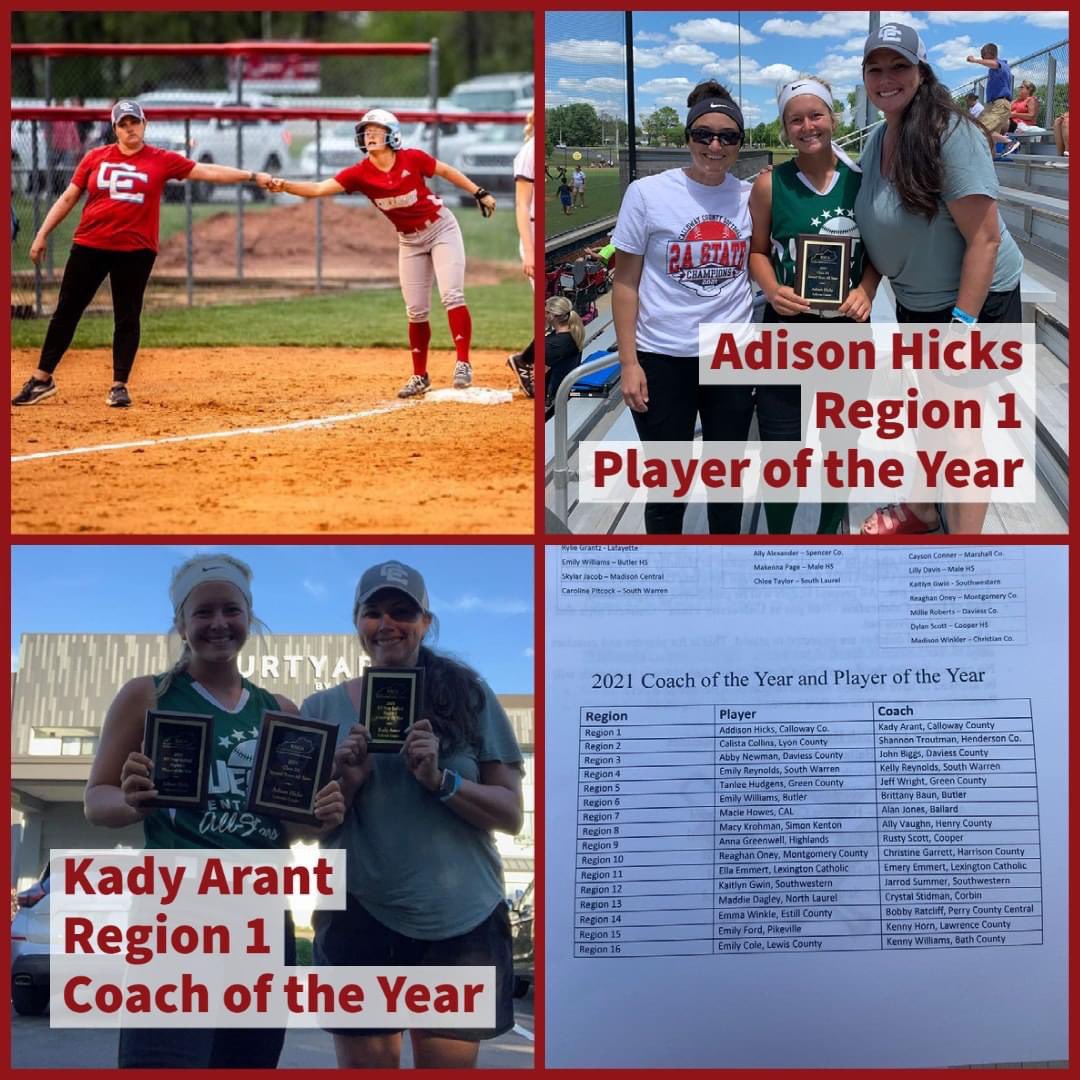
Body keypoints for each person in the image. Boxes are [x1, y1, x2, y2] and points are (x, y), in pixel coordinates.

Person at [84, 553, 345, 1068]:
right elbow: (96, 799)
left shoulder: (280, 710)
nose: (219, 623)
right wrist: (132, 801)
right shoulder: (148, 695)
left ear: (249, 616)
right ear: (180, 622)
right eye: (202, 612)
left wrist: (323, 812)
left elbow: (293, 826)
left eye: (231, 609)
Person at [300, 560, 524, 1069]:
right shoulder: (320, 709)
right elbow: (306, 826)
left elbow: (511, 814)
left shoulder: (468, 697)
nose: (387, 623)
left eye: (402, 612)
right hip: (359, 915)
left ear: (426, 622)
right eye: (374, 611)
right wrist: (346, 782)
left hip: (460, 922)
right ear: (357, 622)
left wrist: (441, 781)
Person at [856, 23, 1024, 536]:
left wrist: (961, 327)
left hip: (970, 304)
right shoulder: (880, 137)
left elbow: (985, 239)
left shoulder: (950, 133)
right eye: (875, 69)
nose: (886, 78)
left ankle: (962, 561)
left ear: (922, 72)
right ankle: (923, 509)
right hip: (918, 301)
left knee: (960, 431)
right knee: (931, 414)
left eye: (899, 66)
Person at [12, 101, 272, 408]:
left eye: (134, 122)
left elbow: (207, 171)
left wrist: (252, 176)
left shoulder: (161, 159)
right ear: (114, 129)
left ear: (144, 124)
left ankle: (118, 386)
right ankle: (42, 379)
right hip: (90, 244)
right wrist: (42, 234)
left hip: (135, 250)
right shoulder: (95, 157)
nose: (130, 128)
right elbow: (69, 197)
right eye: (123, 124)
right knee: (67, 310)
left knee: (127, 315)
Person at [267, 109, 496, 399]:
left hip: (441, 229)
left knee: (452, 295)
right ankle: (420, 376)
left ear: (392, 135)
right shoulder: (359, 173)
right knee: (416, 310)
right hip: (409, 241)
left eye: (376, 130)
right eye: (366, 131)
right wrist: (285, 185)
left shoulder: (412, 158)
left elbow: (446, 171)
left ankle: (463, 363)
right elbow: (317, 189)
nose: (370, 135)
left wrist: (479, 192)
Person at [612, 79, 755, 534]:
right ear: (688, 137)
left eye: (728, 137)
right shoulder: (647, 194)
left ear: (740, 143)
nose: (715, 146)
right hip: (663, 356)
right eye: (703, 135)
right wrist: (629, 362)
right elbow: (625, 283)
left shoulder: (750, 197)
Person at [748, 76, 881, 535]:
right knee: (781, 448)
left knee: (840, 444)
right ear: (785, 128)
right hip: (787, 331)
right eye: (795, 120)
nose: (807, 127)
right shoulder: (770, 184)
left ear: (833, 118)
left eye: (816, 115)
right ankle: (779, 543)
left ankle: (828, 537)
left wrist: (867, 289)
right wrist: (772, 288)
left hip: (847, 331)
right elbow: (757, 251)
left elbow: (878, 253)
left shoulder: (862, 182)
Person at [507, 110, 536, 398]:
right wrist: (529, 250)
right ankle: (526, 361)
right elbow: (521, 204)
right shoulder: (530, 151)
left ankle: (527, 360)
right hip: (533, 233)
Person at [967, 43, 1019, 156]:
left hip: (999, 105)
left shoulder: (1001, 65)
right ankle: (990, 162)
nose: (982, 58)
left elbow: (994, 64)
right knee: (989, 138)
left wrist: (975, 60)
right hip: (993, 105)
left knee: (978, 129)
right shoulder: (995, 69)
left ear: (989, 54)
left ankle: (1009, 142)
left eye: (983, 56)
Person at [543, 294, 585, 412]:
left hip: (552, 394)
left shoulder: (554, 344)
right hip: (564, 384)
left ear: (552, 316)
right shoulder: (573, 331)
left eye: (545, 312)